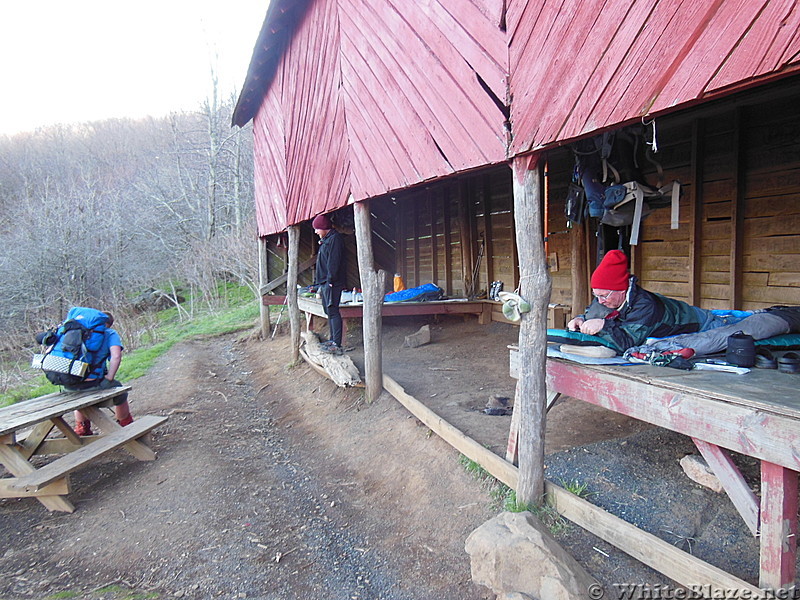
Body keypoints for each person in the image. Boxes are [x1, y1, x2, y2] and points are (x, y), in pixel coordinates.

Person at [567, 250, 799, 355]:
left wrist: (604, 327)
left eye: (604, 295)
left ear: (620, 290)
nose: (599, 300)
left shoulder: (645, 305)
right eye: (596, 294)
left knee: (742, 323)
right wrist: (581, 319)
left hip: (703, 323)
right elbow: (592, 312)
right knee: (734, 316)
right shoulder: (606, 299)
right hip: (683, 315)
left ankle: (779, 314)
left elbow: (627, 342)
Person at [69, 312, 133, 436]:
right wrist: (109, 377)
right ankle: (125, 424)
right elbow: (116, 356)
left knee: (78, 395)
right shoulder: (109, 333)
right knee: (120, 392)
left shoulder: (75, 332)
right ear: (108, 324)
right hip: (94, 384)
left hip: (68, 385)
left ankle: (82, 429)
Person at [312, 213, 347, 355]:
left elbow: (334, 262)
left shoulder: (335, 240)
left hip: (332, 282)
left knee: (333, 311)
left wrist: (331, 280)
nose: (315, 232)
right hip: (325, 282)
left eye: (317, 229)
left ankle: (336, 343)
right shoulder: (326, 240)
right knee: (328, 311)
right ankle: (332, 339)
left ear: (324, 227)